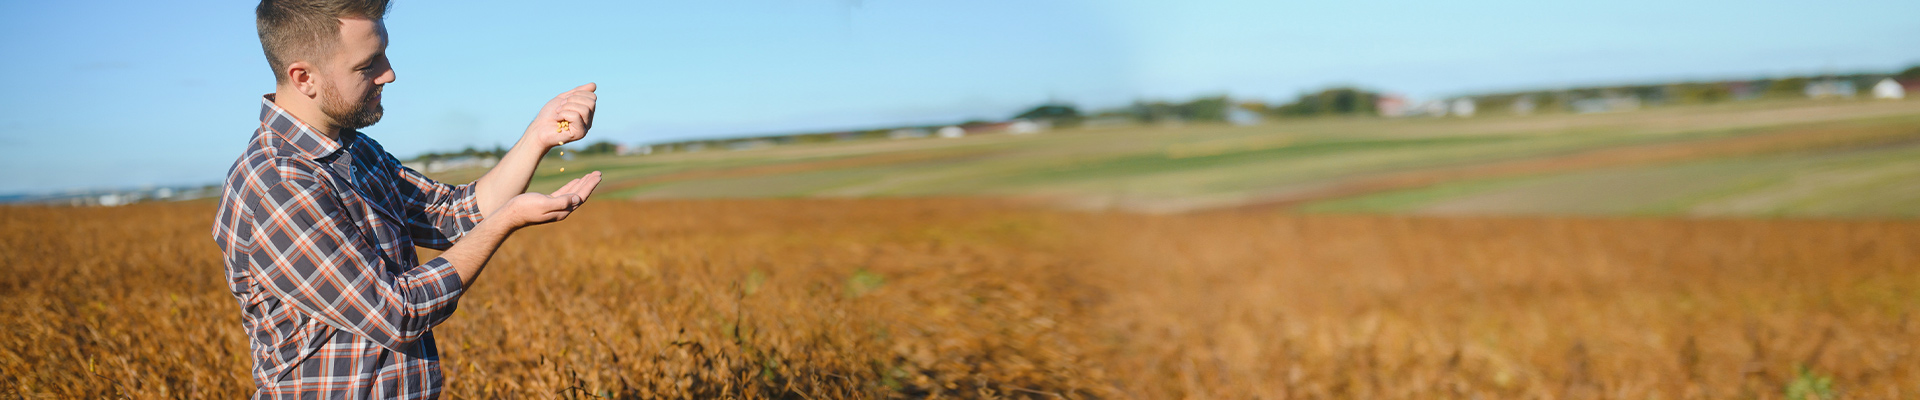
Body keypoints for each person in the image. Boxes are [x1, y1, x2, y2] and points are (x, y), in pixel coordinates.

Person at [211, 0, 601, 397]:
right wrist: (508, 220)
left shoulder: (357, 151)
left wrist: (538, 136)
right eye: (368, 65)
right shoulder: (277, 185)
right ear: (303, 77)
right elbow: (397, 312)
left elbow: (454, 216)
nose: (389, 74)